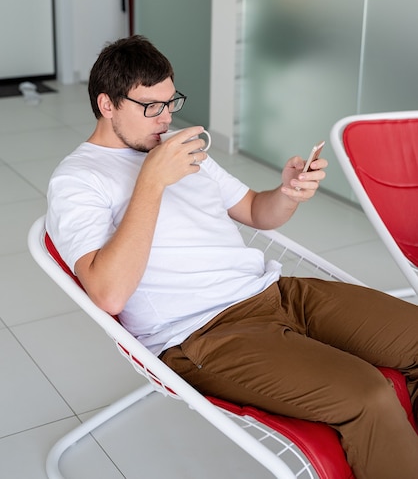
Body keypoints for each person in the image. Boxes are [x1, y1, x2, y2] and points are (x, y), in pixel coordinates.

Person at [46, 34, 418, 479]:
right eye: (151, 107)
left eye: (171, 102)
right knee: (368, 397)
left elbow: (257, 211)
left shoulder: (181, 149)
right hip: (203, 333)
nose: (166, 118)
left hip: (275, 291)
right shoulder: (77, 180)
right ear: (107, 105)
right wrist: (151, 182)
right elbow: (107, 295)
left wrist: (287, 192)